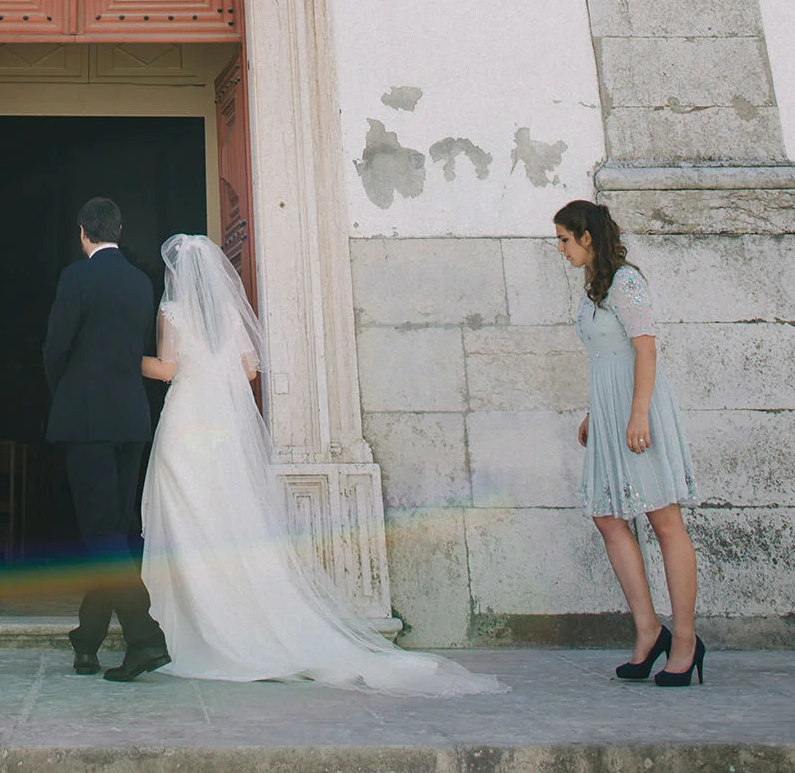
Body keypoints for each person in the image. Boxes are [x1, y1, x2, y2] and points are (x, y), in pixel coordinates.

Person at [138, 232, 499, 693]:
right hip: (224, 427)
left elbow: (167, 370)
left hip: (187, 422)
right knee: (231, 515)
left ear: (176, 275)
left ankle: (195, 621)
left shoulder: (172, 312)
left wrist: (129, 361)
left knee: (188, 517)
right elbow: (250, 371)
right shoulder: (228, 314)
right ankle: (240, 615)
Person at [554, 198, 703, 686]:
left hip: (639, 414)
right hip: (612, 413)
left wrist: (637, 414)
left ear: (587, 237)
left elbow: (644, 349)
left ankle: (684, 641)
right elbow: (607, 356)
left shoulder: (626, 282)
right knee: (607, 515)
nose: (561, 250)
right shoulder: (593, 290)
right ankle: (647, 629)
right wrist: (596, 413)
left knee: (664, 520)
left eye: (564, 240)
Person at [42, 196, 172, 681]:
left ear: (83, 232)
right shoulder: (141, 281)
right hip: (131, 420)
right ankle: (87, 640)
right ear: (118, 229)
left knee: (100, 534)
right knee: (114, 534)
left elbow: (56, 347)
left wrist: (66, 394)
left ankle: (144, 637)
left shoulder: (76, 278)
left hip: (89, 421)